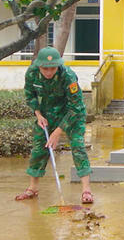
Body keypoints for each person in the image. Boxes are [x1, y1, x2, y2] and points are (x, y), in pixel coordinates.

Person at [14, 47, 92, 203]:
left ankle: (86, 191)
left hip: (72, 114)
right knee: (39, 148)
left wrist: (57, 132)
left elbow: (75, 106)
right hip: (46, 114)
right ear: (39, 66)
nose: (49, 72)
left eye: (52, 68)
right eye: (45, 68)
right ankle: (32, 188)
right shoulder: (31, 73)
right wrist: (38, 115)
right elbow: (30, 95)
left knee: (78, 146)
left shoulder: (68, 76)